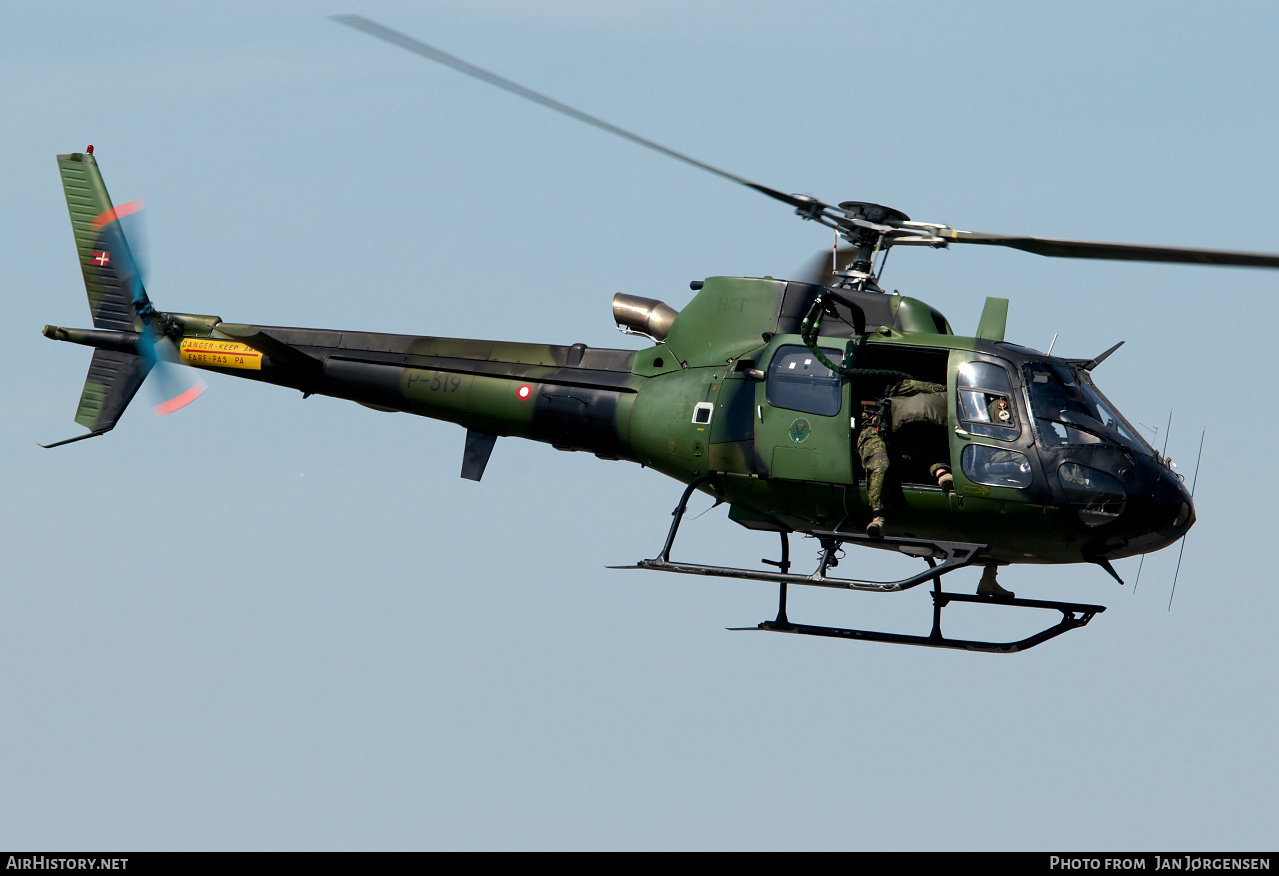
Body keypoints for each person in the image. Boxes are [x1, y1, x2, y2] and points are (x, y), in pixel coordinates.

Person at [857, 379, 953, 536]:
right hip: (872, 432)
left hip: (895, 433)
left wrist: (948, 388)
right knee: (880, 465)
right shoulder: (857, 386)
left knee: (923, 445)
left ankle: (941, 471)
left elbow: (921, 387)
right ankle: (877, 516)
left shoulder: (893, 388)